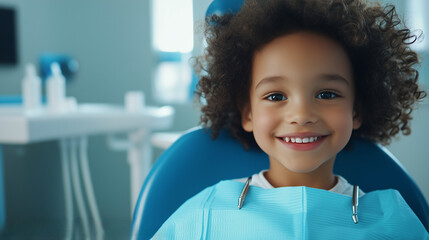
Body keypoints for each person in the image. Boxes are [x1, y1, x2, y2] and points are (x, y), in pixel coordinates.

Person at [153, 0, 429, 238]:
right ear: (248, 113)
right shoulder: (205, 213)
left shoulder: (394, 223)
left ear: (356, 109)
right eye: (275, 96)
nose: (301, 115)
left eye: (327, 94)